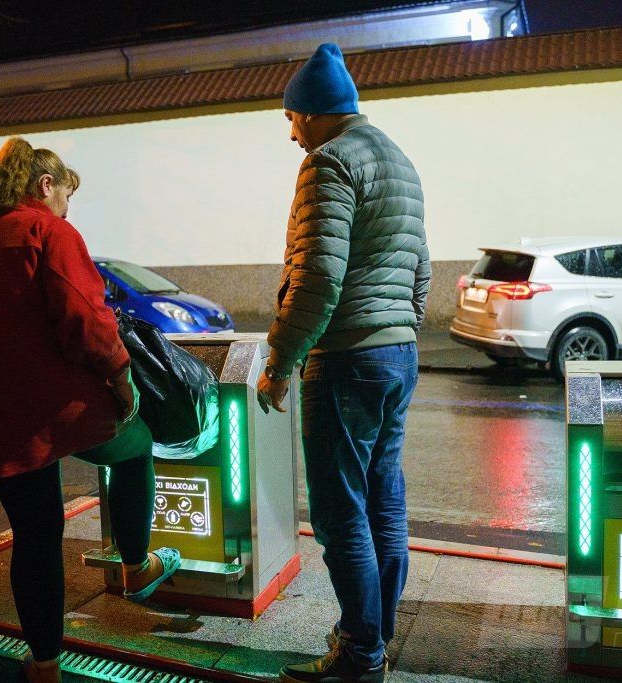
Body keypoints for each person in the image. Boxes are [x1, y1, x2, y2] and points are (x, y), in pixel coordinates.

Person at [0, 137, 180, 683]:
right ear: (44, 185)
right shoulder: (49, 231)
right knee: (136, 447)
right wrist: (123, 381)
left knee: (35, 535)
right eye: (65, 196)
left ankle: (45, 666)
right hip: (58, 405)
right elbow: (87, 319)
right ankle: (135, 564)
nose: (66, 209)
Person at [257, 44, 430, 683]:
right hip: (397, 353)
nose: (292, 132)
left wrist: (281, 360)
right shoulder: (399, 161)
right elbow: (422, 268)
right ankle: (374, 636)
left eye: (293, 117)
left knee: (338, 511)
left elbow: (317, 280)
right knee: (383, 498)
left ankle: (361, 655)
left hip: (347, 359)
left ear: (318, 112)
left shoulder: (329, 163)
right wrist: (402, 328)